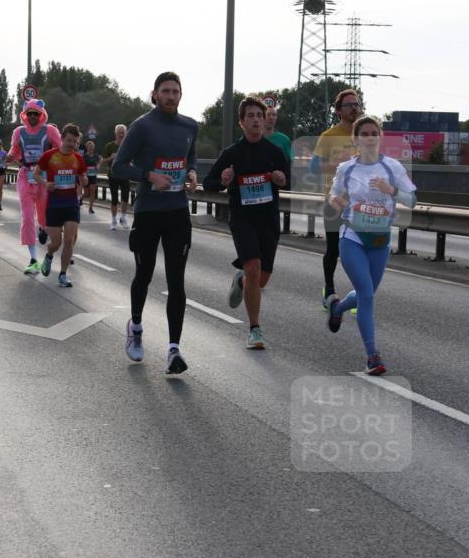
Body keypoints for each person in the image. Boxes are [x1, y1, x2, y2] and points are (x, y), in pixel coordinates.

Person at [112, 71, 198, 374]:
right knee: (144, 273)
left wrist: (190, 173)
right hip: (148, 212)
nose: (171, 96)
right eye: (165, 91)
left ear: (181, 95)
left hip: (177, 212)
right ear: (155, 94)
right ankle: (135, 326)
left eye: (175, 91)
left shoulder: (190, 126)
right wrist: (150, 176)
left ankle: (174, 350)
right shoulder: (141, 127)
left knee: (177, 281)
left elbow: (191, 158)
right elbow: (118, 166)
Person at [326, 115, 416, 375]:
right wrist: (338, 202)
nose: (369, 137)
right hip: (353, 236)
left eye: (373, 133)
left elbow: (412, 201)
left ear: (380, 136)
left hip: (380, 239)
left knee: (366, 295)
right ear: (355, 139)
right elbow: (334, 194)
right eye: (363, 133)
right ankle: (372, 356)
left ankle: (338, 307)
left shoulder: (393, 168)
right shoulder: (347, 169)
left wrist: (392, 191)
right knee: (365, 295)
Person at [204, 97, 290, 349]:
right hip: (242, 219)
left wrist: (280, 178)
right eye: (250, 116)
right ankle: (255, 330)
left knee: (260, 279)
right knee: (253, 267)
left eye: (259, 116)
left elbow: (288, 182)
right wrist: (223, 179)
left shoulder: (275, 152)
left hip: (268, 220)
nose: (255, 120)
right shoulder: (232, 153)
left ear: (264, 121)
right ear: (241, 122)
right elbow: (208, 184)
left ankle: (240, 282)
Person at [310, 90, 361, 308]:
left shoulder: (366, 134)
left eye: (356, 104)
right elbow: (313, 167)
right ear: (339, 111)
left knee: (359, 250)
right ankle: (328, 289)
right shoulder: (328, 136)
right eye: (349, 105)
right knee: (333, 248)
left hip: (360, 203)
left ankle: (357, 295)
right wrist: (339, 165)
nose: (354, 108)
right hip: (334, 201)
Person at [6, 99, 61, 274]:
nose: (32, 116)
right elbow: (14, 151)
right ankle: (33, 260)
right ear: (24, 114)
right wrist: (9, 157)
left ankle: (44, 228)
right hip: (25, 177)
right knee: (27, 216)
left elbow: (60, 150)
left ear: (41, 115)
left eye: (35, 113)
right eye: (29, 113)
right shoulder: (18, 132)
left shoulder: (50, 131)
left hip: (44, 178)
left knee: (44, 216)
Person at [35, 124, 88, 286]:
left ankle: (63, 275)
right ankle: (49, 255)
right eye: (69, 140)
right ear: (62, 139)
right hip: (54, 205)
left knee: (69, 240)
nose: (72, 144)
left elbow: (83, 176)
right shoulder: (49, 156)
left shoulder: (78, 158)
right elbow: (36, 173)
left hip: (71, 203)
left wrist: (84, 180)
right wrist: (45, 184)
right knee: (56, 243)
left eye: (75, 141)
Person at [102, 124, 130, 230]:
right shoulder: (110, 145)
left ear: (126, 133)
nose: (121, 134)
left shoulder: (129, 145)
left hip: (125, 175)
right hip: (113, 175)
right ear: (115, 133)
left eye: (123, 132)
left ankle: (123, 217)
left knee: (125, 197)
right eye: (119, 132)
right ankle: (113, 220)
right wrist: (111, 157)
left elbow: (133, 159)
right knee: (114, 198)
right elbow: (102, 160)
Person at [81, 140, 101, 214]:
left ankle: (91, 208)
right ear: (87, 148)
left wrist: (98, 166)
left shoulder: (96, 156)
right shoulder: (84, 156)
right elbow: (81, 165)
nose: (91, 148)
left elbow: (99, 163)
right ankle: (80, 200)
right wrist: (85, 170)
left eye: (92, 147)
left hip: (93, 176)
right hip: (86, 176)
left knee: (92, 191)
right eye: (89, 147)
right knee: (86, 193)